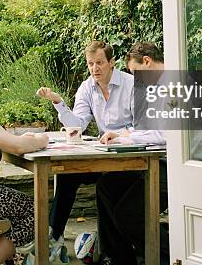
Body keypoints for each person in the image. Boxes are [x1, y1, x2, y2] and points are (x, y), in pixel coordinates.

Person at [36, 40, 135, 262]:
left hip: (133, 157)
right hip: (104, 157)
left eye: (99, 63)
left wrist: (119, 136)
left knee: (106, 186)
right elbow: (78, 125)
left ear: (112, 63)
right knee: (67, 173)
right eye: (90, 64)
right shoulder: (87, 87)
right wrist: (58, 102)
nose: (94, 68)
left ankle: (112, 252)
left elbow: (143, 127)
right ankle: (55, 236)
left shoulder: (131, 84)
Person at [0, 53, 49, 265]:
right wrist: (42, 138)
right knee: (36, 212)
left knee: (21, 206)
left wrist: (21, 139)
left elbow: (6, 139)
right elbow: (17, 146)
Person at [96, 42, 170, 265]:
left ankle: (171, 257)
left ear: (146, 61)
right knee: (106, 186)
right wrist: (119, 135)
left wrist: (126, 137)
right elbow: (146, 128)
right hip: (155, 161)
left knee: (129, 214)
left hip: (176, 167)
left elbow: (164, 135)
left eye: (135, 72)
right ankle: (120, 259)